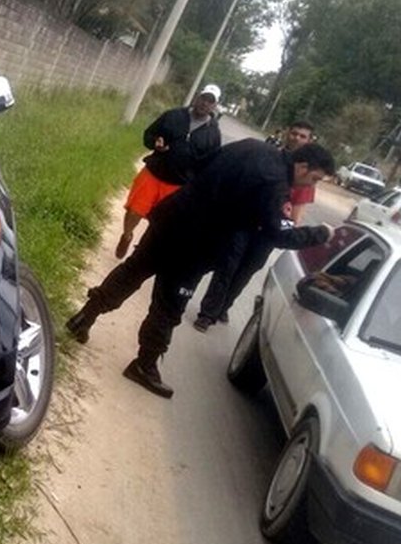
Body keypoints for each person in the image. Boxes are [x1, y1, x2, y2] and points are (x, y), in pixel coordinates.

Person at [65, 141, 336, 399]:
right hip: (196, 245)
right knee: (170, 305)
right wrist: (319, 234)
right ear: (302, 166)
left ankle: (82, 318)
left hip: (171, 217)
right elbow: (278, 234)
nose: (311, 185)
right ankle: (144, 365)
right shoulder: (275, 184)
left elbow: (199, 163)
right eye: (314, 179)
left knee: (132, 271)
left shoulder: (251, 146)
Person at [193, 120, 316, 331]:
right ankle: (207, 313)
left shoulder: (308, 175)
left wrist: (285, 230)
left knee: (246, 270)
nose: (296, 138)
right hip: (245, 221)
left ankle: (223, 307)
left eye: (302, 136)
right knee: (227, 265)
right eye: (294, 133)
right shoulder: (270, 156)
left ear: (310, 140)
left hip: (269, 231)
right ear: (287, 133)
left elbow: (295, 213)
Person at [114, 85, 223, 259]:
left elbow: (210, 165)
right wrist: (155, 143)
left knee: (160, 224)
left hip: (178, 186)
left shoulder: (213, 134)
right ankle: (127, 236)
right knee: (135, 210)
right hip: (153, 173)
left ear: (215, 106)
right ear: (197, 97)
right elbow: (148, 135)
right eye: (204, 97)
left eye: (210, 101)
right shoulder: (173, 115)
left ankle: (141, 251)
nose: (205, 103)